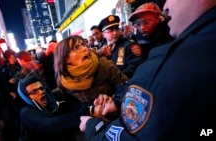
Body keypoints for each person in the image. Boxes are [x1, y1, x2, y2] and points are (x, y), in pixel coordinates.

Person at [79, 0, 216, 140]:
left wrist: (93, 125)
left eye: (146, 22)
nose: (166, 6)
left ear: (158, 18)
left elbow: (141, 79)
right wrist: (119, 99)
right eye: (138, 24)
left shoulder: (167, 59)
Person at [53, 35, 129, 140]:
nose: (85, 48)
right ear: (65, 58)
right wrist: (90, 110)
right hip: (86, 129)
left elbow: (127, 88)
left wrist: (113, 100)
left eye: (83, 44)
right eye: (76, 48)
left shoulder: (104, 65)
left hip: (114, 126)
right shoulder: (63, 82)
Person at [17, 75, 90, 141]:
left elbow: (75, 108)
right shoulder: (26, 113)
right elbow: (49, 124)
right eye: (34, 91)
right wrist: (87, 111)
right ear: (26, 98)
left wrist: (91, 106)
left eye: (41, 88)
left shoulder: (55, 99)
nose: (41, 92)